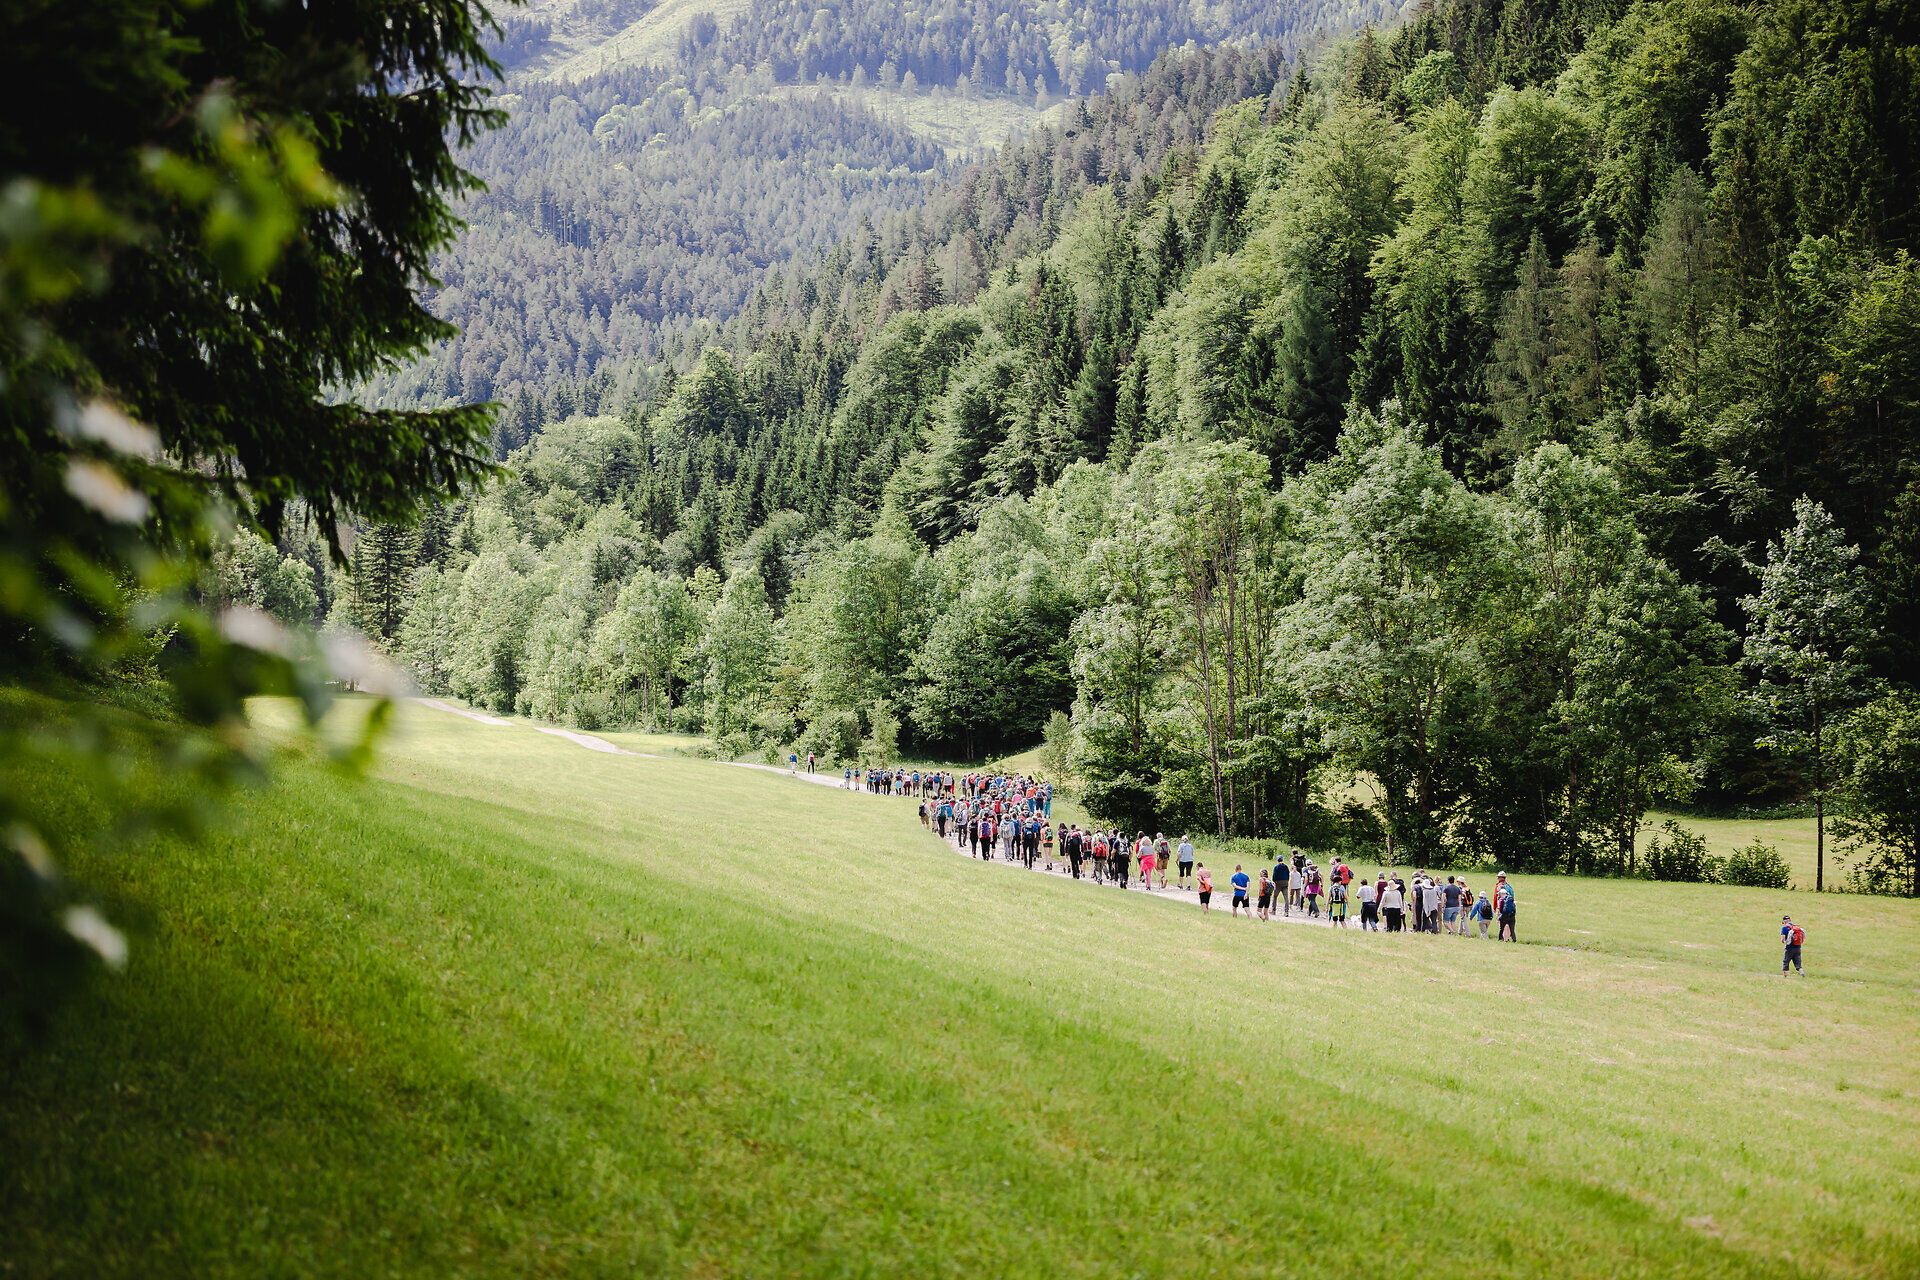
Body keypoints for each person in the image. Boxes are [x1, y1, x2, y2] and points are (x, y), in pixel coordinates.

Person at [1495, 874, 1517, 941]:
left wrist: (1496, 908)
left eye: (1498, 877)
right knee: (1511, 927)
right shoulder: (1509, 886)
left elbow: (1496, 899)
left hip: (1504, 912)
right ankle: (1511, 939)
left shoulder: (1500, 886)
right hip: (1511, 912)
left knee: (1502, 926)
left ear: (1501, 878)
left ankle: (1504, 938)